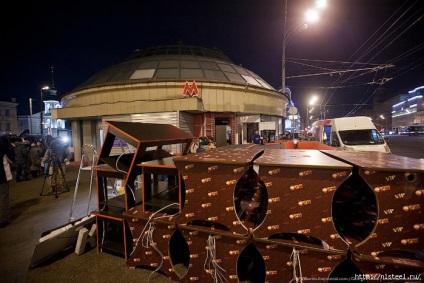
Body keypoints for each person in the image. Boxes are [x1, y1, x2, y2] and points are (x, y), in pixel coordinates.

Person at [0, 136, 15, 228]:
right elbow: (12, 160)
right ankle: (3, 219)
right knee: (3, 196)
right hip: (1, 176)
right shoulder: (3, 148)